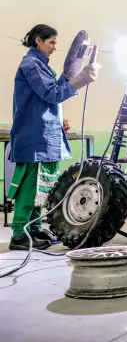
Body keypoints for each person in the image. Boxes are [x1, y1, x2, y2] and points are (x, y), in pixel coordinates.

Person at [7, 24, 100, 250]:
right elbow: (52, 94)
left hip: (45, 136)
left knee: (42, 188)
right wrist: (81, 79)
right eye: (51, 43)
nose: (54, 47)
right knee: (29, 189)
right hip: (34, 138)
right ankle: (19, 235)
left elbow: (49, 98)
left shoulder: (44, 67)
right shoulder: (31, 65)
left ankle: (35, 229)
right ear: (38, 41)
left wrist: (59, 120)